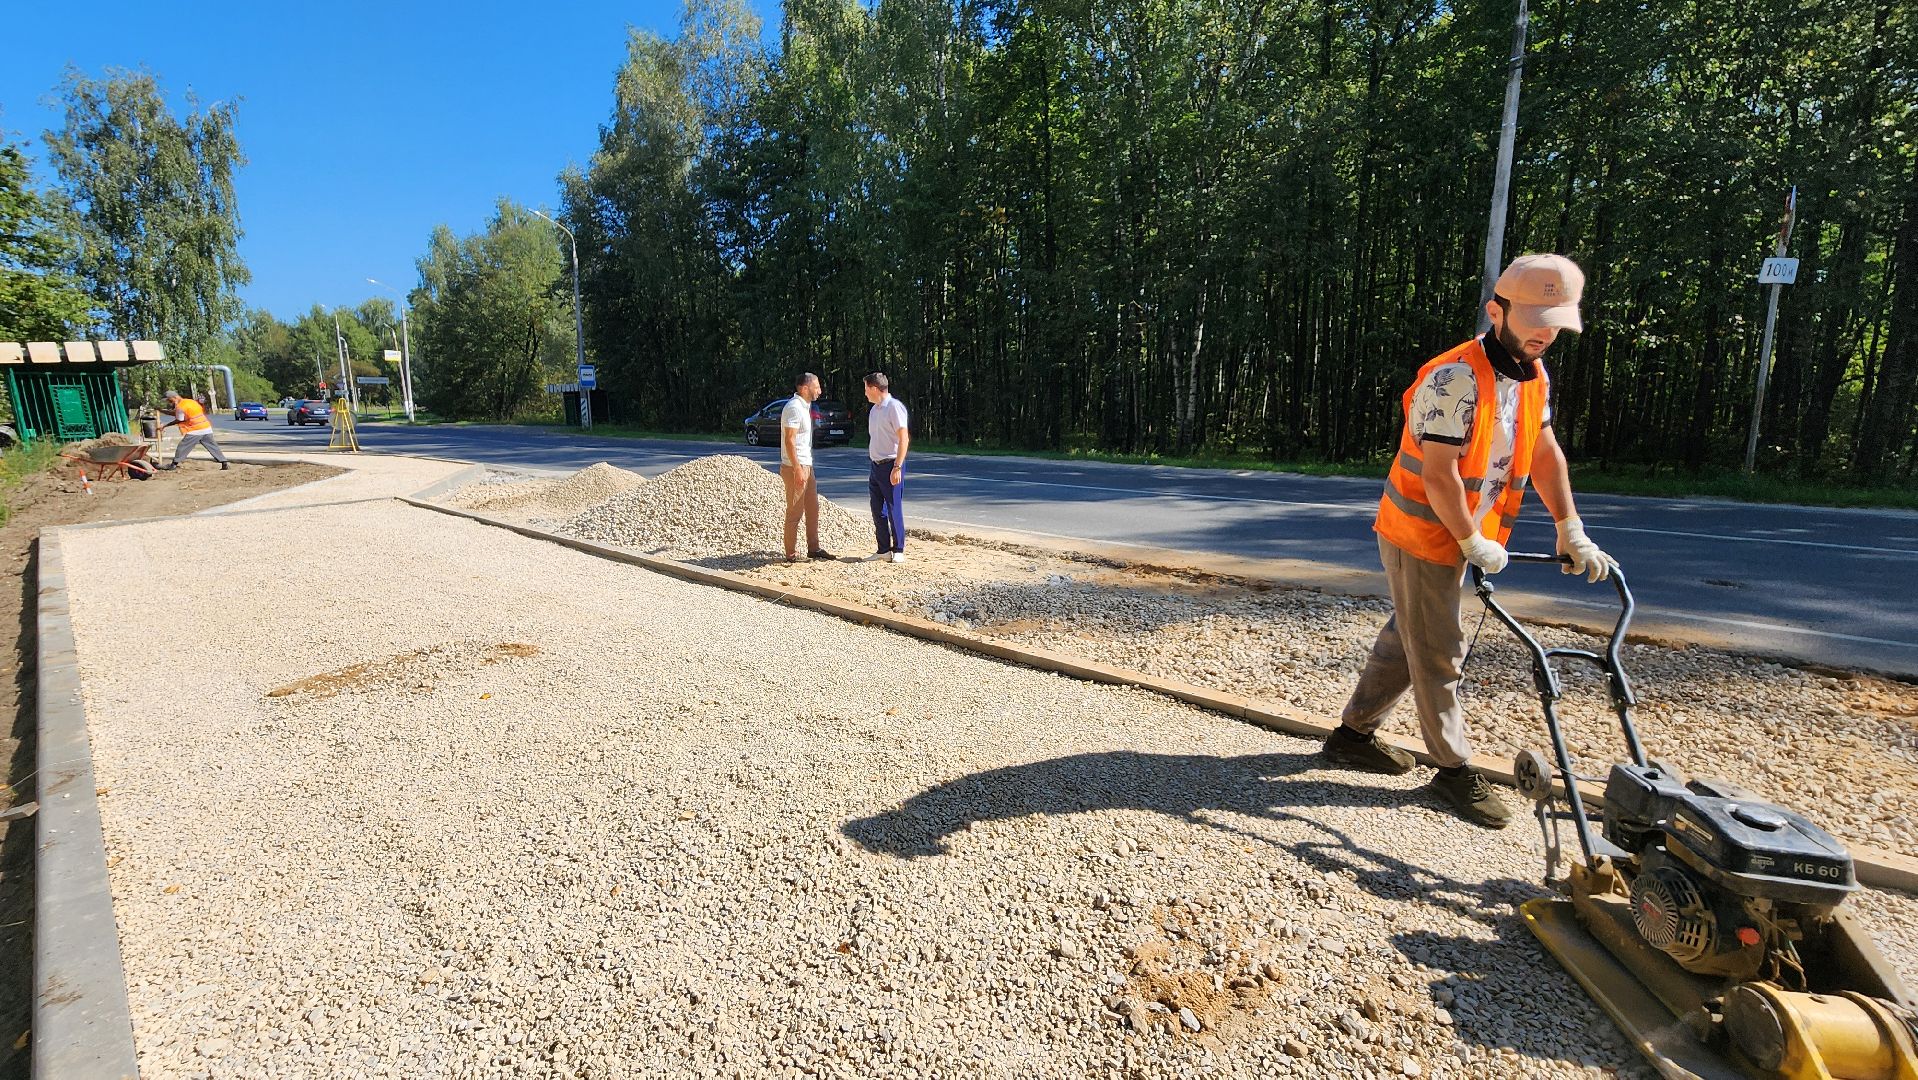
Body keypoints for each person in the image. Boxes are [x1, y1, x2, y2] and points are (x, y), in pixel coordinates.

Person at [1325, 253, 1619, 829]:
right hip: (1423, 531)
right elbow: (1439, 475)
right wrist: (1472, 539)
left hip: (1459, 534)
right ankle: (1454, 770)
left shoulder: (1533, 376)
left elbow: (1543, 452)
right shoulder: (1455, 377)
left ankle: (1352, 735)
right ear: (1496, 310)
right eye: (1535, 317)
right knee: (1439, 652)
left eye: (1555, 320)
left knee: (1408, 634)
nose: (1545, 332)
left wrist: (1570, 527)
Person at [780, 372, 833, 562]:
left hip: (806, 464)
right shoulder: (794, 407)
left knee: (813, 508)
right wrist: (797, 468)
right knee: (795, 511)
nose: (819, 390)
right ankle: (791, 554)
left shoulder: (805, 406)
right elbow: (789, 440)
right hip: (796, 465)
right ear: (804, 388)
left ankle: (814, 548)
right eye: (816, 386)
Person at [862, 372, 910, 563]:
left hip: (891, 464)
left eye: (866, 389)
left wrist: (897, 466)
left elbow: (903, 438)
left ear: (874, 388)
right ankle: (883, 549)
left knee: (893, 507)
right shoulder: (874, 410)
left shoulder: (894, 407)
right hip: (875, 466)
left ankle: (898, 549)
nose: (865, 393)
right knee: (877, 509)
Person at [158, 390, 230, 470]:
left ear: (174, 397)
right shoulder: (190, 402)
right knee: (213, 446)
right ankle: (224, 463)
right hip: (206, 427)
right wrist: (162, 411)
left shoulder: (180, 406)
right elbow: (177, 413)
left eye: (169, 400)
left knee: (183, 447)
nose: (169, 402)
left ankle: (173, 465)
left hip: (195, 429)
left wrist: (165, 425)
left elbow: (179, 419)